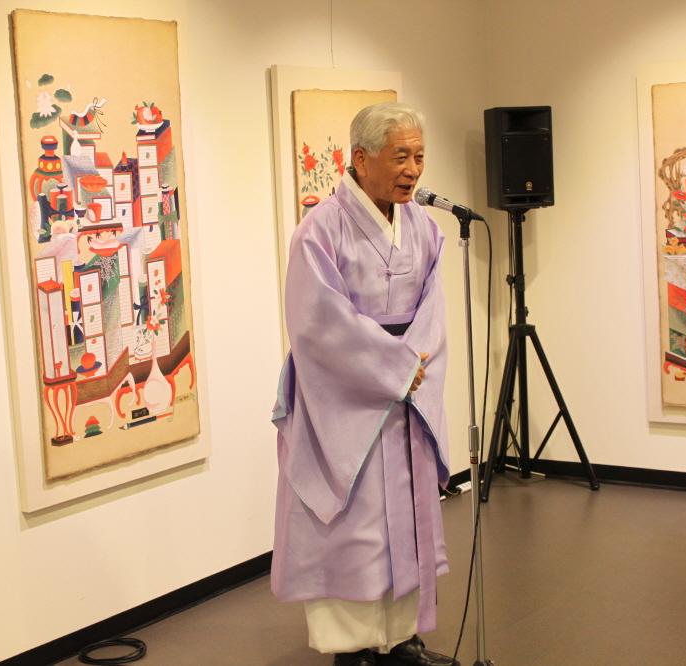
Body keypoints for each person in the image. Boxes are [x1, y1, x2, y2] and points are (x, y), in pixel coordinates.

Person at [271, 103, 458, 666]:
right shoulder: (320, 229)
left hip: (406, 394)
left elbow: (433, 308)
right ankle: (350, 647)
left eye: (419, 156)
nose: (413, 170)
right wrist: (393, 368)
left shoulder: (423, 225)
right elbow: (317, 320)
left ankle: (400, 638)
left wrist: (412, 366)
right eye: (400, 156)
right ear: (360, 158)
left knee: (404, 517)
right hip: (344, 397)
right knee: (354, 524)